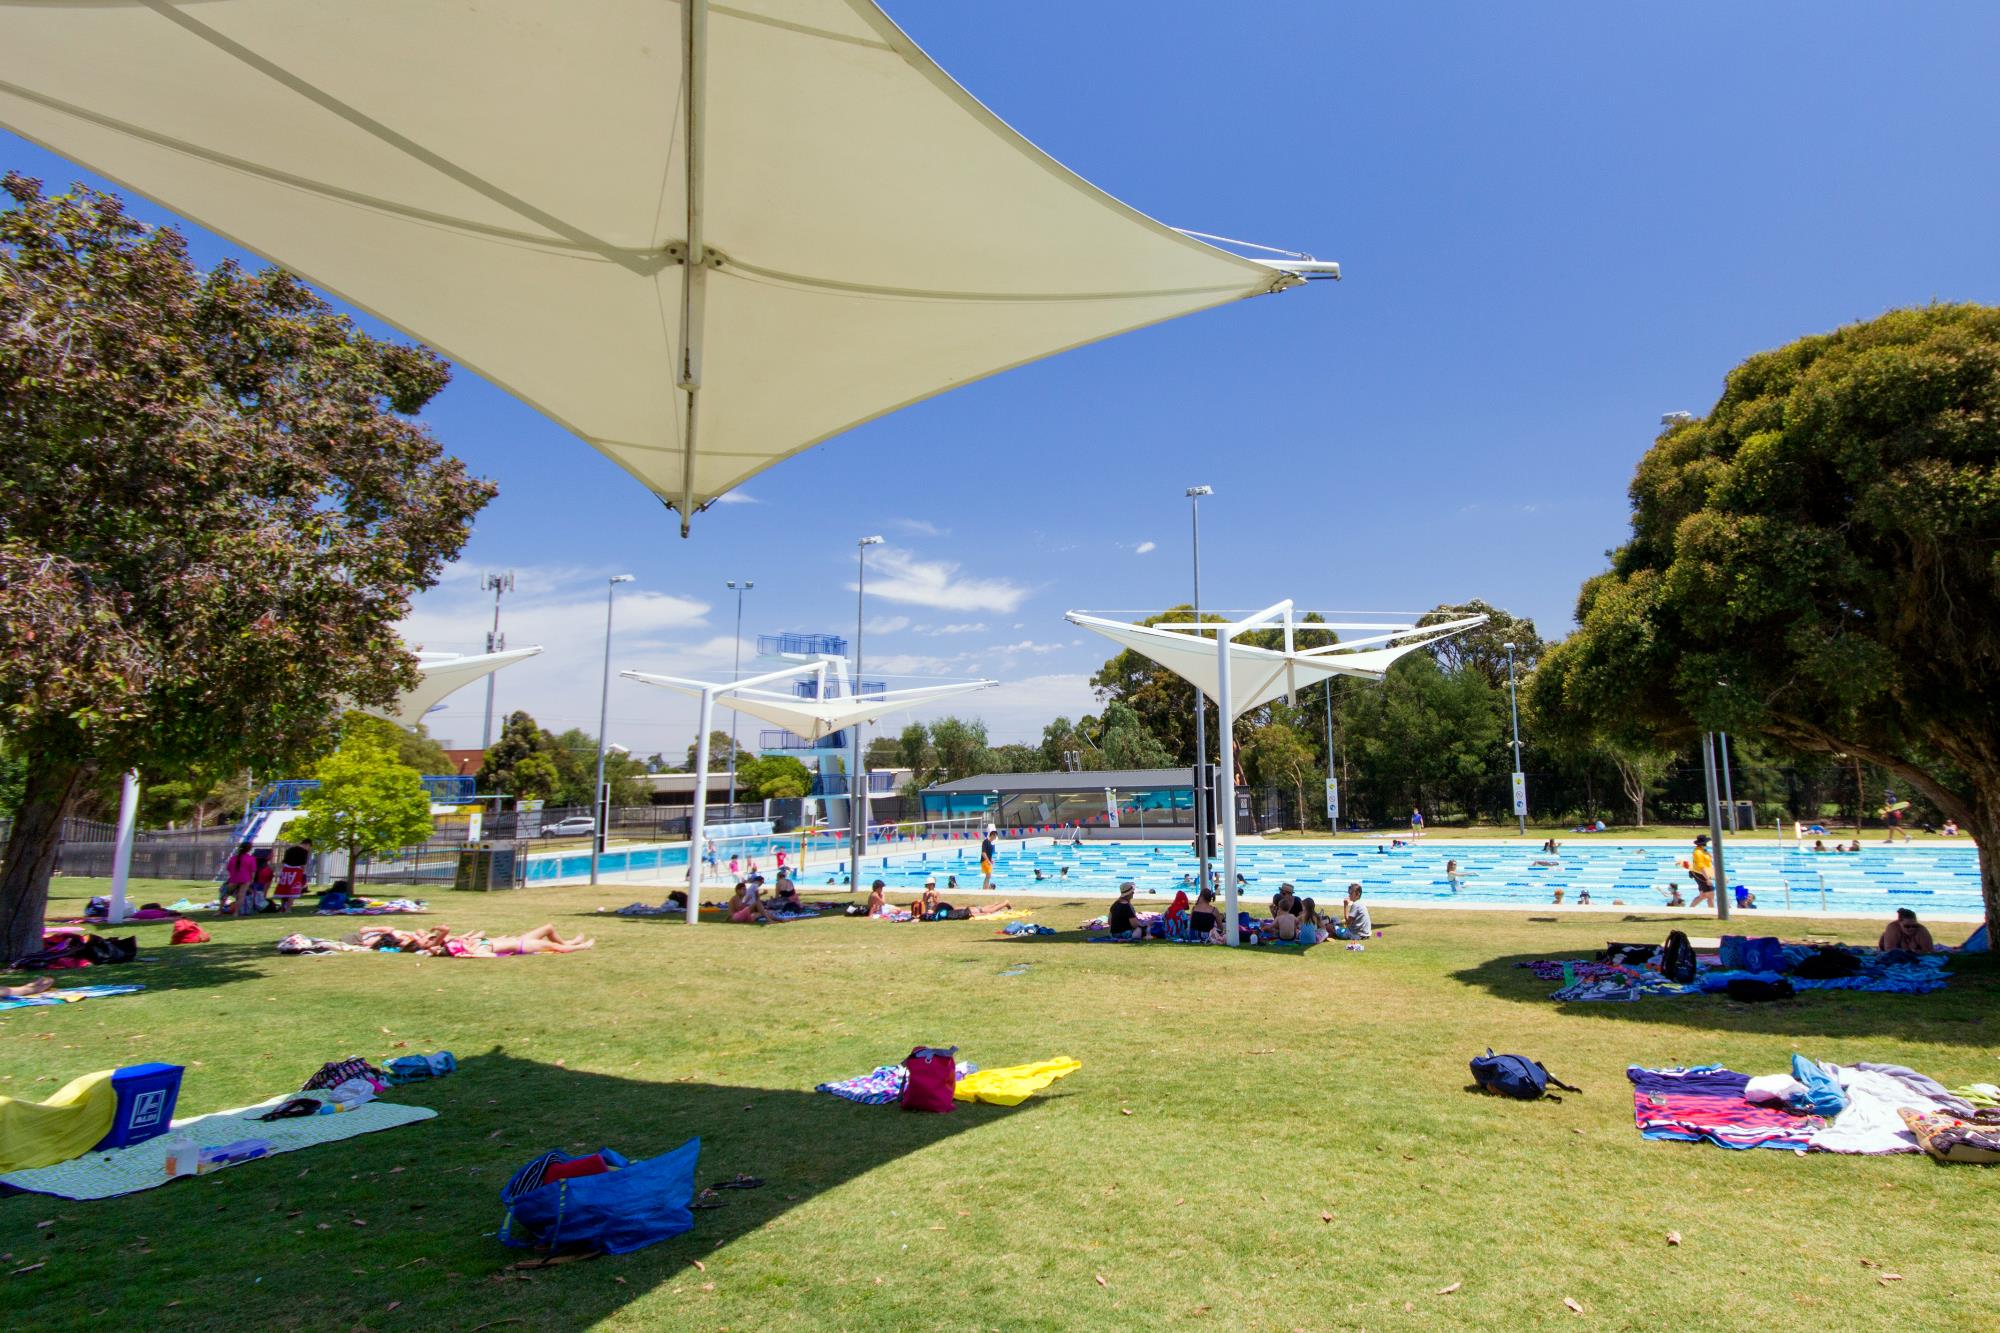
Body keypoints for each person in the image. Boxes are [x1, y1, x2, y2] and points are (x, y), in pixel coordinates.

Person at [275, 838, 312, 912]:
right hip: (296, 871)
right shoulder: (304, 851)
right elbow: (302, 864)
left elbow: (284, 861)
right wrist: (303, 873)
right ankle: (288, 908)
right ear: (307, 844)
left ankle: (282, 908)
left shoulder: (290, 849)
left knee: (284, 889)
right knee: (292, 890)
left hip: (286, 871)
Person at [222, 841, 257, 915]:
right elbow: (253, 871)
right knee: (241, 896)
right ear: (249, 849)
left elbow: (229, 868)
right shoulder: (251, 859)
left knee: (226, 894)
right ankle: (236, 912)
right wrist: (252, 879)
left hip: (234, 879)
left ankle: (219, 910)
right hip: (245, 879)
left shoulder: (233, 858)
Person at [1688, 835, 1716, 908]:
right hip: (1700, 874)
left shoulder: (1703, 850)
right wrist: (1707, 879)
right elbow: (1701, 867)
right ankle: (1712, 912)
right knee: (1711, 894)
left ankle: (1691, 908)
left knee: (1703, 895)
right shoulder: (1697, 852)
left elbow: (1708, 862)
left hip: (1704, 873)